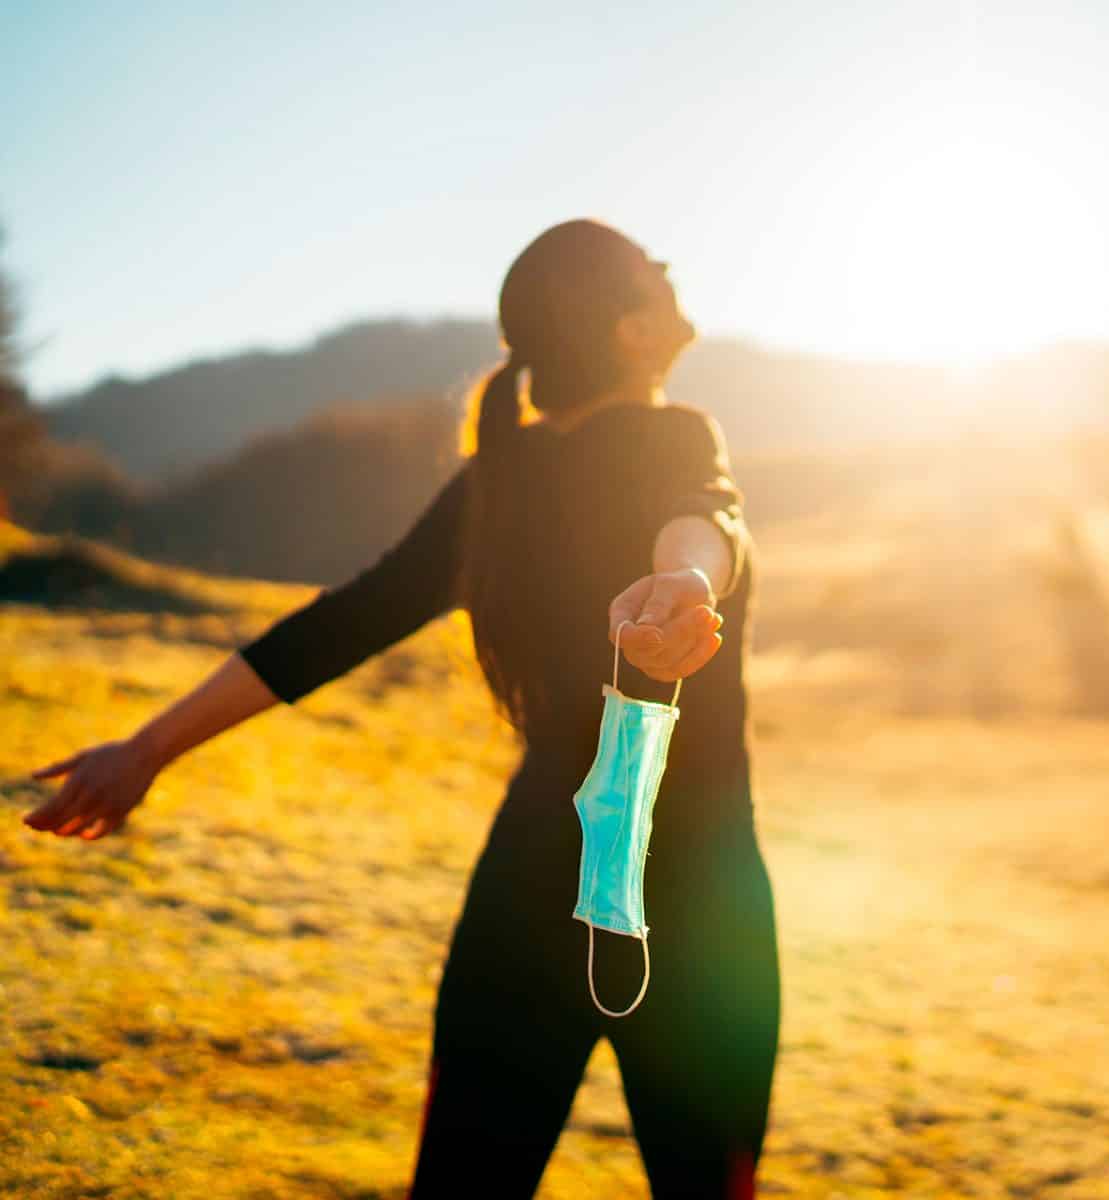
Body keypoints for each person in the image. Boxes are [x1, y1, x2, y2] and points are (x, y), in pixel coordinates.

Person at [22, 219, 782, 1199]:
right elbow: (707, 510)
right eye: (650, 269)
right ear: (631, 332)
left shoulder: (494, 482)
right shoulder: (667, 434)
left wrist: (149, 747)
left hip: (524, 896)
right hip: (700, 902)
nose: (672, 269)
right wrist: (685, 574)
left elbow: (337, 625)